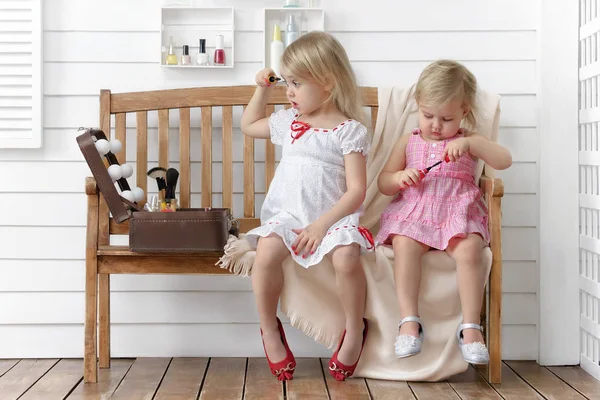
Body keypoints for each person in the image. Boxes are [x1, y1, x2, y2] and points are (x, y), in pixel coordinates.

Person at [240, 31, 373, 381]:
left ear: (328, 82)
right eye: (287, 82)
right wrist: (262, 89)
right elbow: (249, 125)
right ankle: (269, 329)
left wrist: (321, 226)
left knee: (346, 257)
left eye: (297, 83)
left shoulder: (349, 131)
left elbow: (356, 191)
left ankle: (354, 330)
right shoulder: (289, 122)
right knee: (267, 252)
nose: (290, 91)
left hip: (332, 219)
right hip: (289, 215)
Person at [376, 60, 512, 364]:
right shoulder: (409, 140)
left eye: (446, 118)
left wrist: (471, 142)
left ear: (464, 111)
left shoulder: (470, 140)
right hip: (416, 210)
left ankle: (471, 328)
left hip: (456, 211)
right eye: (428, 116)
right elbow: (384, 182)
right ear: (418, 107)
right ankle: (409, 321)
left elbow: (504, 160)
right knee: (404, 244)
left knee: (470, 249)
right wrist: (400, 178)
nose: (436, 125)